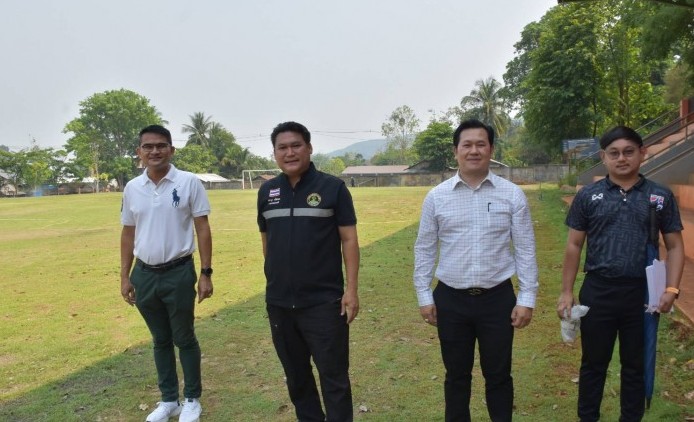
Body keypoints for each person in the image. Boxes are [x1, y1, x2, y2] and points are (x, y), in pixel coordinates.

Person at [413, 119, 539, 422]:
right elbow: (425, 248)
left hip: (497, 300)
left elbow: (525, 248)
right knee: (456, 376)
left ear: (491, 149)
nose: (474, 150)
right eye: (466, 145)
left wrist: (527, 298)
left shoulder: (511, 195)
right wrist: (424, 295)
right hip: (451, 300)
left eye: (481, 144)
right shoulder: (437, 197)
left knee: (499, 375)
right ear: (455, 151)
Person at [557, 125, 684, 422]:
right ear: (603, 157)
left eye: (628, 152)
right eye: (614, 153)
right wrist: (566, 291)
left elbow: (675, 246)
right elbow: (574, 245)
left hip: (641, 295)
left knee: (635, 366)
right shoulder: (588, 195)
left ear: (643, 153)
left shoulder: (659, 196)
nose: (621, 158)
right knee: (593, 364)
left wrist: (671, 289)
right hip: (598, 291)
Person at [257, 121, 360, 422]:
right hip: (280, 303)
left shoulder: (333, 188)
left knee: (334, 377)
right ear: (275, 153)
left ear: (309, 148)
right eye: (282, 147)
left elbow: (349, 240)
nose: (289, 153)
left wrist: (351, 291)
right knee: (297, 377)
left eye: (296, 145)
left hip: (324, 304)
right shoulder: (267, 191)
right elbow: (267, 241)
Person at [120, 124, 213, 422]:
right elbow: (128, 233)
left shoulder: (188, 182)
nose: (155, 151)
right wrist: (125, 275)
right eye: (148, 146)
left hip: (179, 271)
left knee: (184, 337)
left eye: (161, 145)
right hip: (144, 274)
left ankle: (192, 399)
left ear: (171, 150)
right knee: (160, 339)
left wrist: (206, 273)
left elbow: (202, 228)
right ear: (139, 152)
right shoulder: (132, 188)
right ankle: (169, 400)